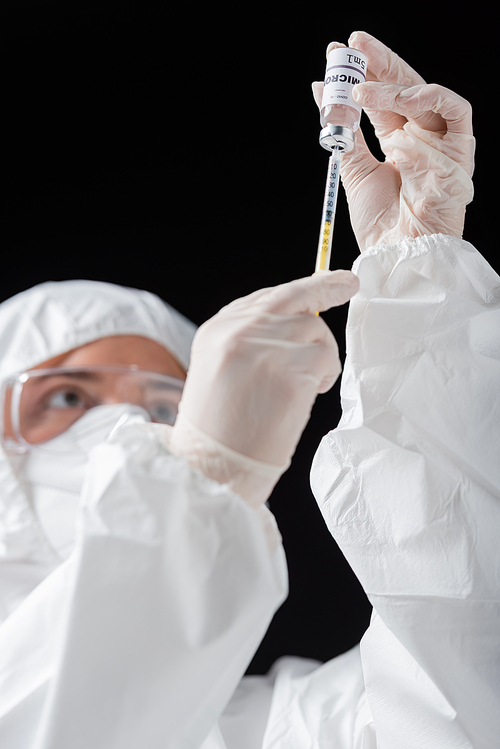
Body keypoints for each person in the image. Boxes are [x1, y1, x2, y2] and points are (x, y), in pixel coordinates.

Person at [0, 30, 498, 749]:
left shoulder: (276, 729)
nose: (124, 426)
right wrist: (202, 475)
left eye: (168, 407)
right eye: (68, 397)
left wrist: (421, 290)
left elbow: (466, 682)